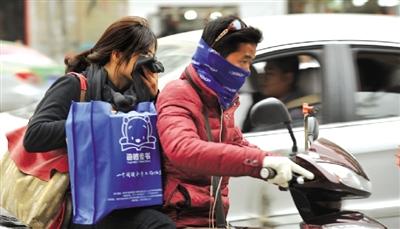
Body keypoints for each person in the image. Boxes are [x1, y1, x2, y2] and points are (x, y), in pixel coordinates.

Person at [156, 15, 314, 228]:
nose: (248, 71)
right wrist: (260, 162)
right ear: (214, 59)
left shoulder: (221, 101)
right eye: (243, 61)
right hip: (182, 220)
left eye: (250, 62)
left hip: (213, 219)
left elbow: (236, 143)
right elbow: (183, 149)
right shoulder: (178, 93)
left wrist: (277, 162)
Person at [23, 16, 174, 229]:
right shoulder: (76, 85)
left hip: (131, 196)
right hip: (87, 205)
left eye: (151, 57)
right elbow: (34, 136)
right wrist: (95, 121)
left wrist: (154, 99)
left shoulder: (140, 96)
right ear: (117, 54)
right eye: (143, 56)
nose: (148, 64)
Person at [242, 56, 304, 132]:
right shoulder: (260, 101)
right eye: (264, 72)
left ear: (288, 78)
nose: (263, 78)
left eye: (270, 74)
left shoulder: (296, 111)